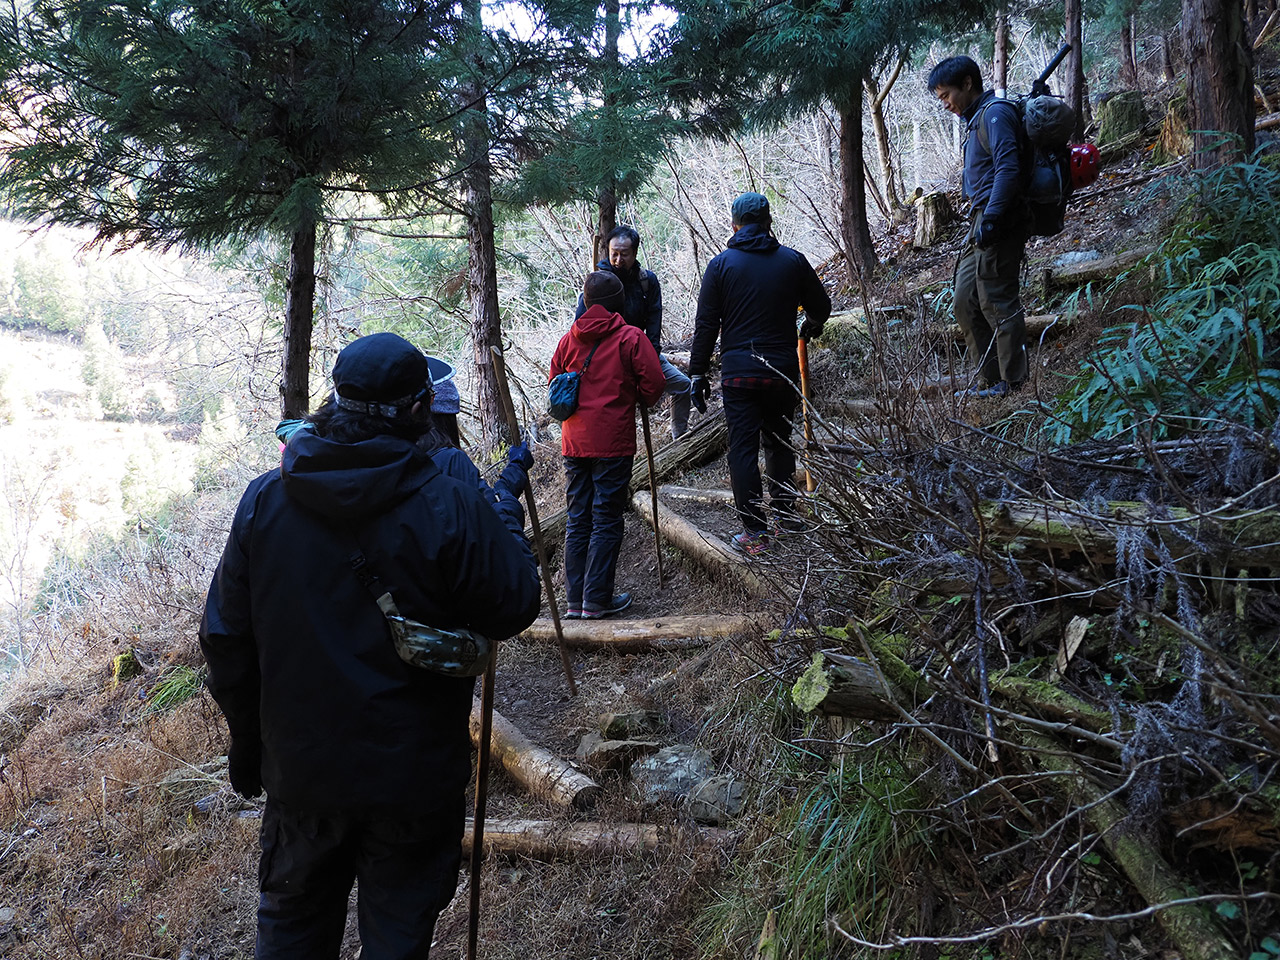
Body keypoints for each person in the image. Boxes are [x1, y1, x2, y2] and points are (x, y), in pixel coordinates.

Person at [200, 331, 541, 960]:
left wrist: (250, 745)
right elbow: (514, 604)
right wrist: (504, 517)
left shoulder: (266, 500)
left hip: (302, 774)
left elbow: (224, 638)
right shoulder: (450, 503)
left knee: (293, 931)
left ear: (335, 402)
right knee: (396, 938)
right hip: (412, 780)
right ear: (420, 410)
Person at [688, 192, 831, 557]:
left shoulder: (720, 266)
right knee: (779, 442)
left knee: (743, 450)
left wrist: (697, 373)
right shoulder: (792, 261)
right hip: (781, 370)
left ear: (734, 226)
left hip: (739, 375)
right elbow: (821, 307)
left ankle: (755, 532)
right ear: (768, 223)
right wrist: (811, 325)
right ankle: (786, 516)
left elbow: (706, 325)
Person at [551, 271, 664, 619]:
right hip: (612, 442)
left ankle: (575, 601)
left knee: (577, 518)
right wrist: (636, 396)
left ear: (586, 302)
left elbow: (555, 383)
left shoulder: (568, 340)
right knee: (605, 518)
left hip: (574, 442)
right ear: (619, 303)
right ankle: (596, 600)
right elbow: (655, 384)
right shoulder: (630, 337)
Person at [928, 54, 1029, 397]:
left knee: (996, 298)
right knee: (964, 300)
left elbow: (1008, 169)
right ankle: (990, 379)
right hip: (981, 220)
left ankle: (1013, 383)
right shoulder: (975, 120)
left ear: (967, 83)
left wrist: (995, 218)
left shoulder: (995, 114)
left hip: (1000, 217)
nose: (945, 104)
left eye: (946, 95)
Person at [575, 225, 693, 440]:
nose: (618, 260)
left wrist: (652, 354)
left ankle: (680, 437)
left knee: (682, 385)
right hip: (607, 360)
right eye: (614, 254)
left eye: (624, 254)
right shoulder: (598, 284)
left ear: (635, 253)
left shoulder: (646, 281)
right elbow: (580, 326)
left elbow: (654, 318)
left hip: (642, 352)